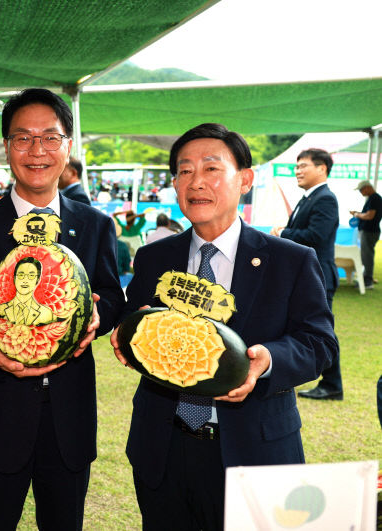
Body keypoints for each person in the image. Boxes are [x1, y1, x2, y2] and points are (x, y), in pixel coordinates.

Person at [111, 123, 338, 531]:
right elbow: (138, 320)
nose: (196, 182)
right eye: (184, 171)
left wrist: (268, 361)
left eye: (211, 169)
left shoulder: (291, 260)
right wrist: (128, 336)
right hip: (163, 444)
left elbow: (318, 343)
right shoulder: (153, 258)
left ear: (245, 180)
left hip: (253, 450)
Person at [0, 88, 124, 530]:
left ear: (68, 145)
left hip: (68, 417)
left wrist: (101, 316)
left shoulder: (96, 226)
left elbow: (112, 295)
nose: (37, 151)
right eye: (23, 138)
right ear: (7, 147)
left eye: (50, 138)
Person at [271, 148, 341, 400]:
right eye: (296, 167)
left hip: (319, 276)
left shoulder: (325, 198)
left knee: (322, 332)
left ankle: (332, 384)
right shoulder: (308, 198)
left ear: (322, 168)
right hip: (304, 276)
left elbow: (316, 237)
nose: (297, 171)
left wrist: (282, 234)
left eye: (303, 166)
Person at [0, 257, 55, 326]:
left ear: (37, 280)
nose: (25, 280)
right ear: (14, 278)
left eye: (31, 275)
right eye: (21, 275)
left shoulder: (46, 314)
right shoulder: (1, 310)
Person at [350, 180, 381, 289]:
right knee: (366, 255)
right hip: (370, 231)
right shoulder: (373, 198)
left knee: (367, 256)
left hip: (369, 231)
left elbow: (369, 216)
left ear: (367, 187)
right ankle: (366, 278)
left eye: (361, 190)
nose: (360, 192)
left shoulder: (374, 198)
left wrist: (357, 214)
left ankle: (368, 281)